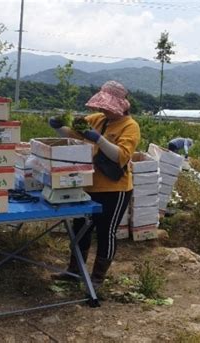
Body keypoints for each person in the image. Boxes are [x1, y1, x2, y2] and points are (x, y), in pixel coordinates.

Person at [48, 81, 140, 288]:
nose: (103, 110)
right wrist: (58, 125)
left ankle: (98, 278)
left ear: (121, 105)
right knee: (80, 228)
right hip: (88, 185)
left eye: (108, 107)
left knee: (106, 232)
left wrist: (98, 140)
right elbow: (72, 134)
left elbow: (120, 156)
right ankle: (74, 271)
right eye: (102, 106)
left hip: (114, 190)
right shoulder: (97, 119)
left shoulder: (130, 127)